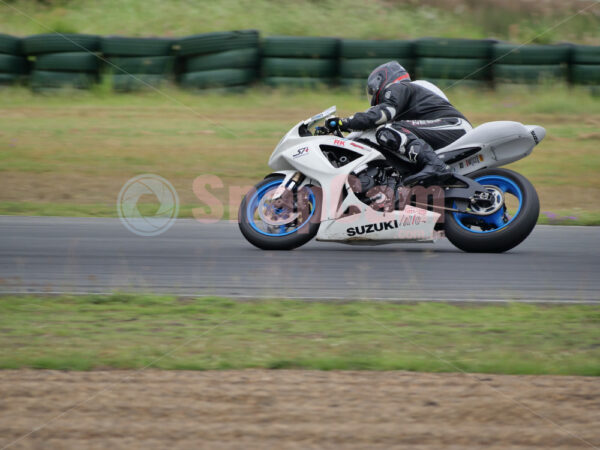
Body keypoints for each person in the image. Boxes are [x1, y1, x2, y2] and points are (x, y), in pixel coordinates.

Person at [328, 61, 472, 185]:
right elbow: (363, 132)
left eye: (372, 90)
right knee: (389, 136)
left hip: (453, 125)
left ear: (381, 80)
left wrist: (343, 122)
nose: (373, 96)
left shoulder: (399, 87)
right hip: (443, 130)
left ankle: (435, 166)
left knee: (388, 130)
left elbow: (382, 113)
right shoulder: (405, 97)